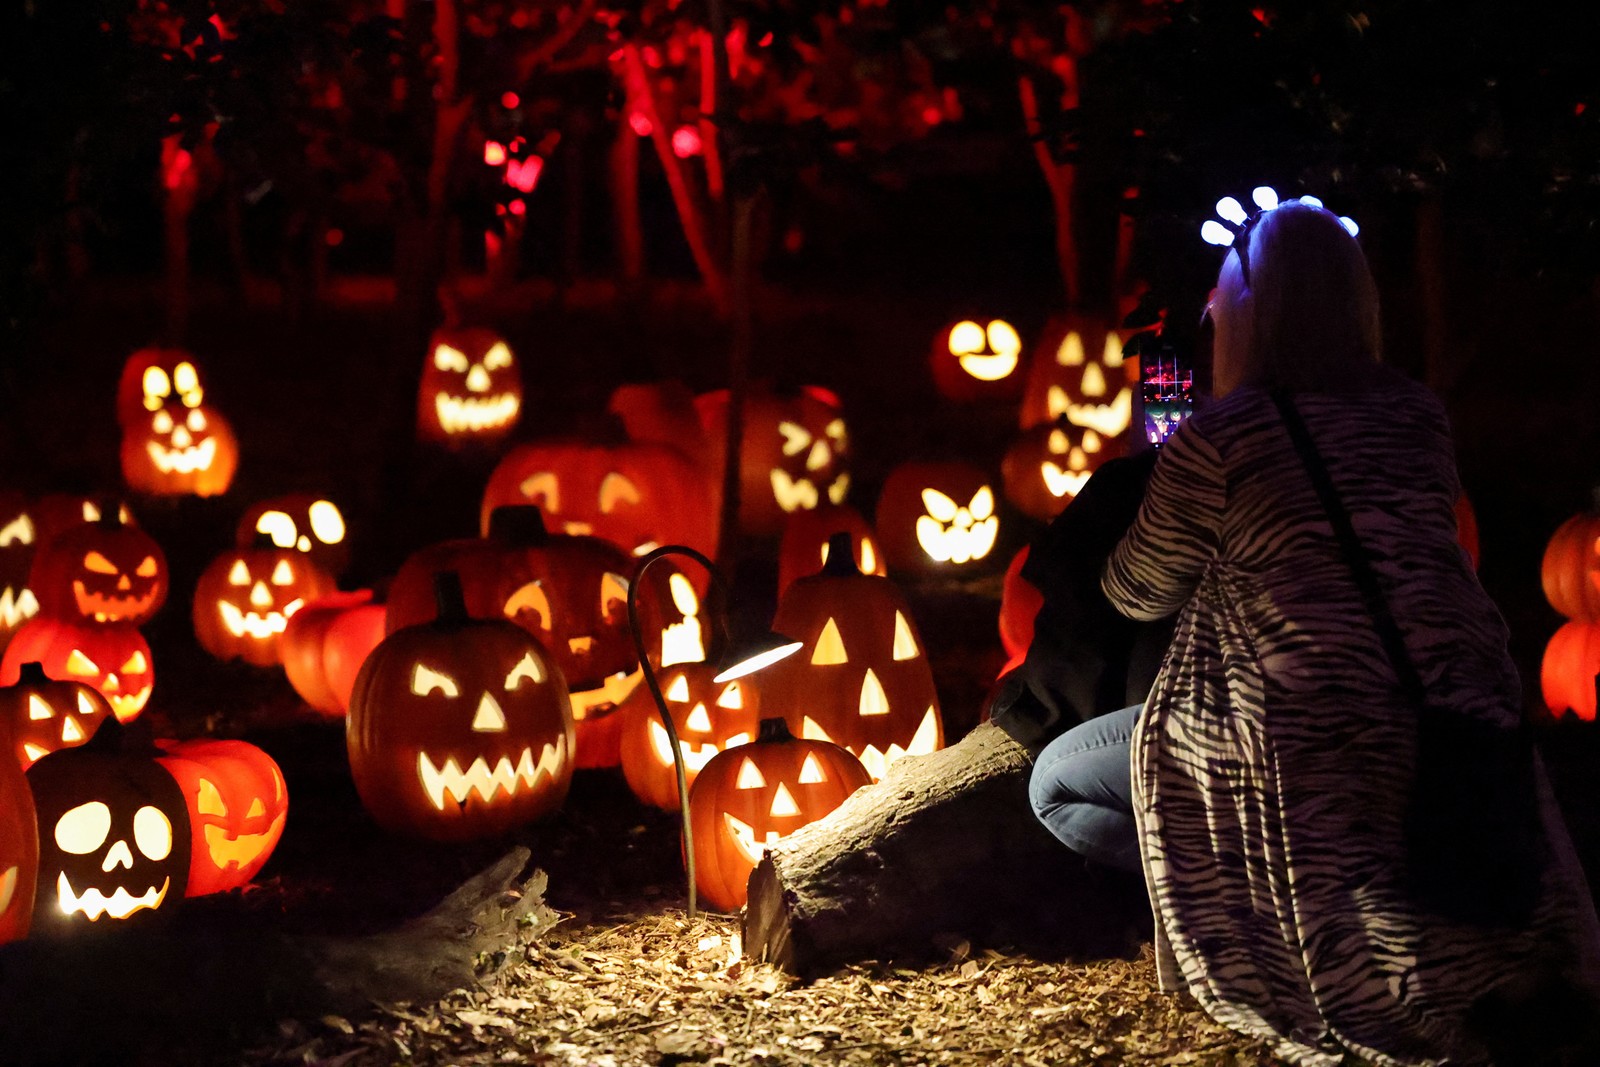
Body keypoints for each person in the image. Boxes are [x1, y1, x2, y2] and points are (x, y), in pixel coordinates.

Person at [1038, 200, 1600, 1065]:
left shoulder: (1219, 440)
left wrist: (1166, 470)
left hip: (1297, 738)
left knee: (1058, 783)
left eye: (1219, 308)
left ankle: (1238, 907)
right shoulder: (1416, 414)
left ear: (1246, 319)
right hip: (1459, 715)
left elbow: (1136, 590)